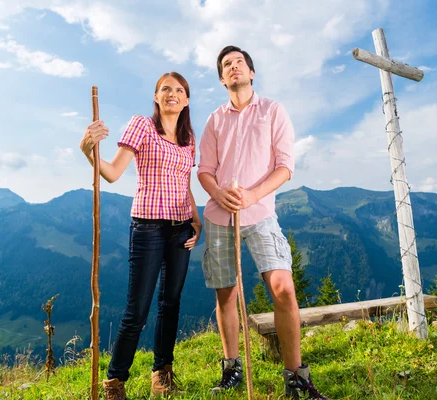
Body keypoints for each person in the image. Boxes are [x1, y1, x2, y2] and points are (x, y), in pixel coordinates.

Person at [197, 46, 329, 399]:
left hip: (260, 213)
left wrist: (253, 196)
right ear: (222, 79)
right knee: (226, 294)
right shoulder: (215, 120)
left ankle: (296, 376)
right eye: (227, 65)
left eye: (239, 62)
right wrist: (219, 193)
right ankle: (231, 369)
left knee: (283, 288)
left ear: (251, 72)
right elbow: (205, 171)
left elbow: (285, 166)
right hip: (219, 215)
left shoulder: (273, 111)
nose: (233, 67)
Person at [79, 72, 202, 400]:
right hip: (147, 227)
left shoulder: (189, 139)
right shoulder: (142, 126)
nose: (172, 94)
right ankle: (114, 381)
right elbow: (113, 173)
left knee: (171, 303)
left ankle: (162, 372)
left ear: (186, 100)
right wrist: (88, 150)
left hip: (180, 229)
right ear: (156, 96)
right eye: (166, 89)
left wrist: (196, 218)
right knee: (138, 309)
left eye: (179, 90)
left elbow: (184, 184)